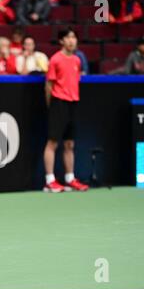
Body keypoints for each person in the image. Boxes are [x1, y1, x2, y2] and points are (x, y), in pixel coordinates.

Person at [43, 28, 89, 193]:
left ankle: (70, 178)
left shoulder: (77, 60)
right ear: (62, 41)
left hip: (73, 103)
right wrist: (51, 105)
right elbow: (49, 85)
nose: (72, 40)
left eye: (74, 37)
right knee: (52, 143)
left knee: (70, 143)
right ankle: (50, 180)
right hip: (58, 103)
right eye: (68, 37)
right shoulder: (55, 59)